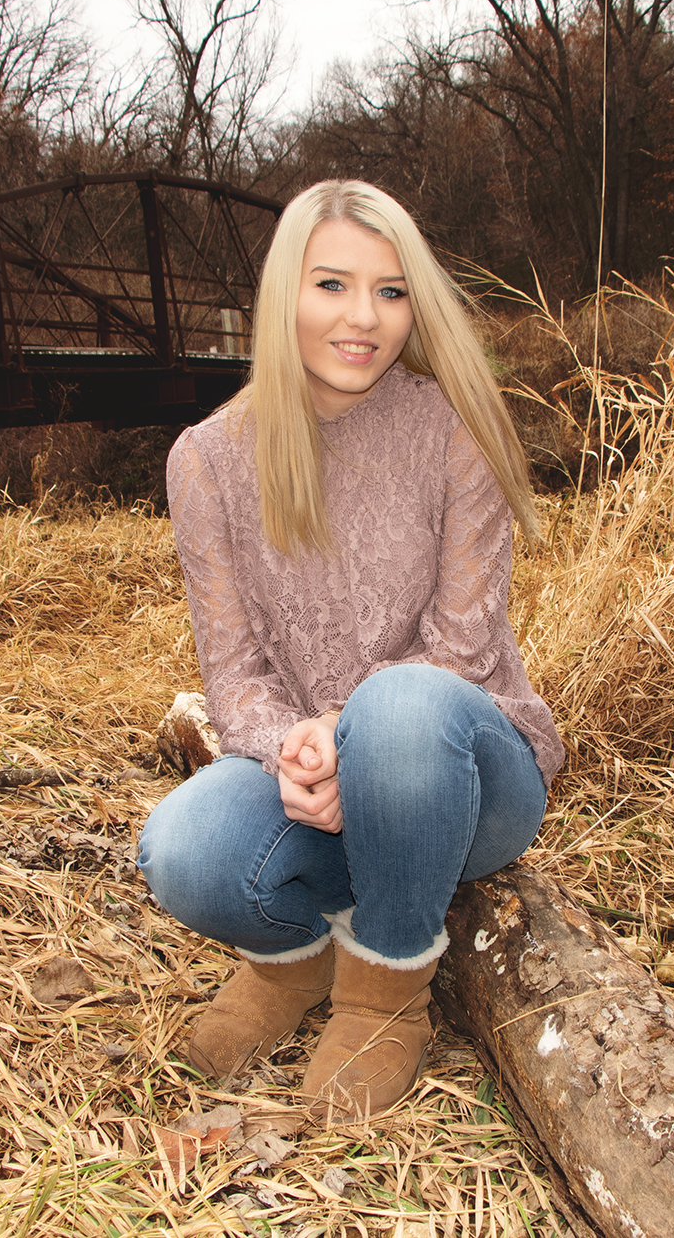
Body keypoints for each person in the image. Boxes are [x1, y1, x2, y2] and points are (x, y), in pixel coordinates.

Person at [137, 179, 563, 1123]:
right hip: (317, 784)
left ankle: (387, 984)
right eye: (332, 284)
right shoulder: (207, 460)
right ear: (284, 292)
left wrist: (348, 730)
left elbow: (462, 646)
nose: (364, 317)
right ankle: (293, 962)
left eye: (392, 290)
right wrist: (296, 749)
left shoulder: (457, 425)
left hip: (464, 773)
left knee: (400, 708)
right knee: (183, 850)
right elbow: (234, 675)